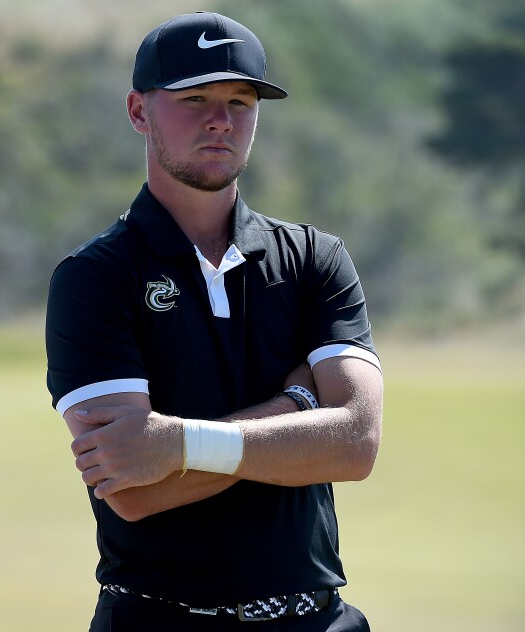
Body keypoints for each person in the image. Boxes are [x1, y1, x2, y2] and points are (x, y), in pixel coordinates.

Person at [45, 12, 383, 631]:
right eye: (194, 98)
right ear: (138, 111)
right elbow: (134, 489)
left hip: (315, 617)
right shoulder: (94, 277)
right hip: (158, 619)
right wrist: (299, 401)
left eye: (240, 100)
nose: (221, 120)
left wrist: (174, 445)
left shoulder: (314, 259)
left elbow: (356, 443)